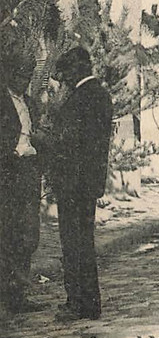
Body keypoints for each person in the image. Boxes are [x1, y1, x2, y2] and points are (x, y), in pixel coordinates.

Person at [49, 47, 113, 321]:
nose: (64, 79)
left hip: (74, 183)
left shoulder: (83, 97)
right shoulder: (99, 94)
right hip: (86, 182)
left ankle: (78, 303)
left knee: (73, 243)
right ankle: (89, 302)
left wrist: (43, 141)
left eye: (66, 73)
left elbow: (69, 142)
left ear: (78, 69)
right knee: (83, 242)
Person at [0, 51, 42, 315]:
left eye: (28, 76)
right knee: (8, 234)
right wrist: (12, 153)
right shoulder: (3, 101)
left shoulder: (30, 103)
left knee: (28, 234)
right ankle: (7, 294)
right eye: (20, 75)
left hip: (28, 173)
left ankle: (20, 293)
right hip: (8, 173)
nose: (24, 81)